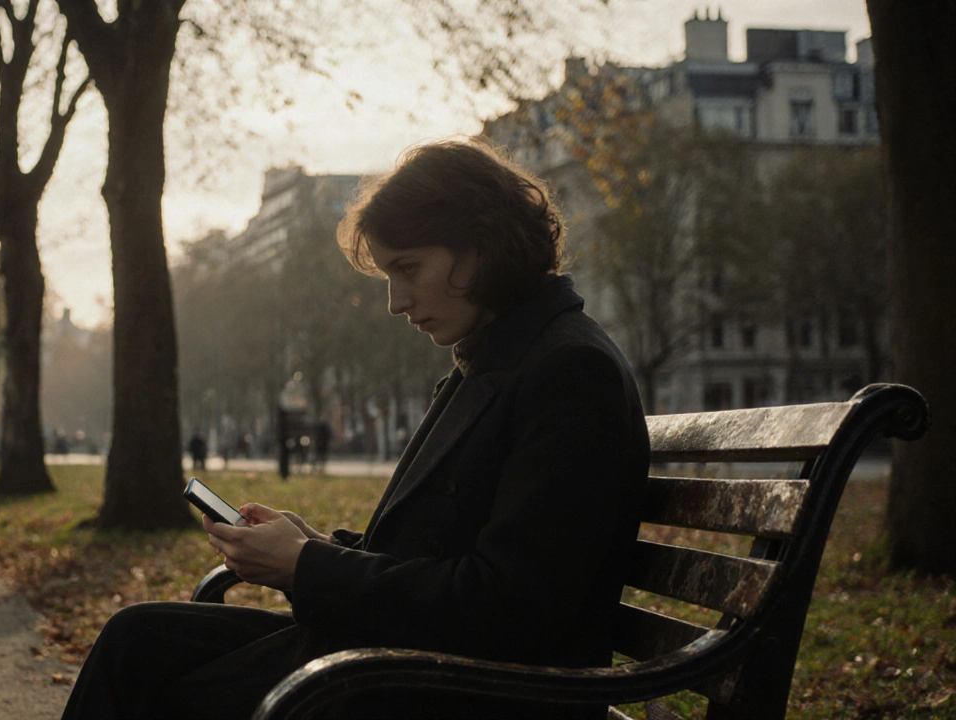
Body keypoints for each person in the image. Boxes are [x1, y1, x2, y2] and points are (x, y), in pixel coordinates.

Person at [59, 138, 650, 720]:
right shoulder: (498, 358)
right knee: (136, 638)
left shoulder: (570, 371)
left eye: (408, 269)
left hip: (462, 688)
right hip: (404, 661)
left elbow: (509, 608)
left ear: (483, 246)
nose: (396, 302)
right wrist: (312, 546)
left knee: (167, 689)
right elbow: (426, 556)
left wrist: (305, 566)